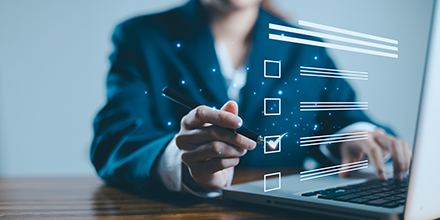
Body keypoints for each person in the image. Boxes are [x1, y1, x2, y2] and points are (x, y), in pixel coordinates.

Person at [90, 0, 412, 197]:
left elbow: (344, 117)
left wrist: (348, 137)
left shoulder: (305, 47)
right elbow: (115, 141)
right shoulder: (141, 38)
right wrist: (184, 162)